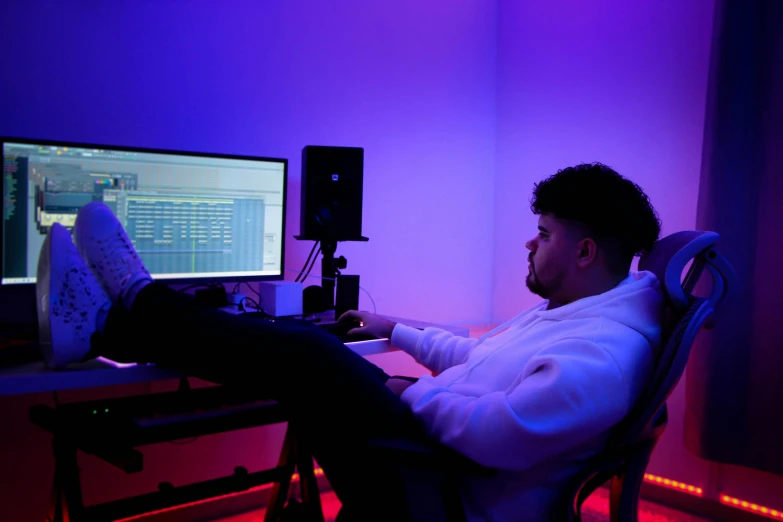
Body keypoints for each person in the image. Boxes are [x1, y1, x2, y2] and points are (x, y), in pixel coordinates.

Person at [37, 162, 664, 522]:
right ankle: (108, 320)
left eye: (545, 234)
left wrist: (404, 391)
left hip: (445, 493)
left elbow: (499, 434)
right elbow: (480, 361)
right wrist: (396, 331)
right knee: (303, 357)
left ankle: (120, 309)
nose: (531, 244)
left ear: (585, 251)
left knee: (308, 356)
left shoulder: (605, 353)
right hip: (432, 450)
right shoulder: (574, 312)